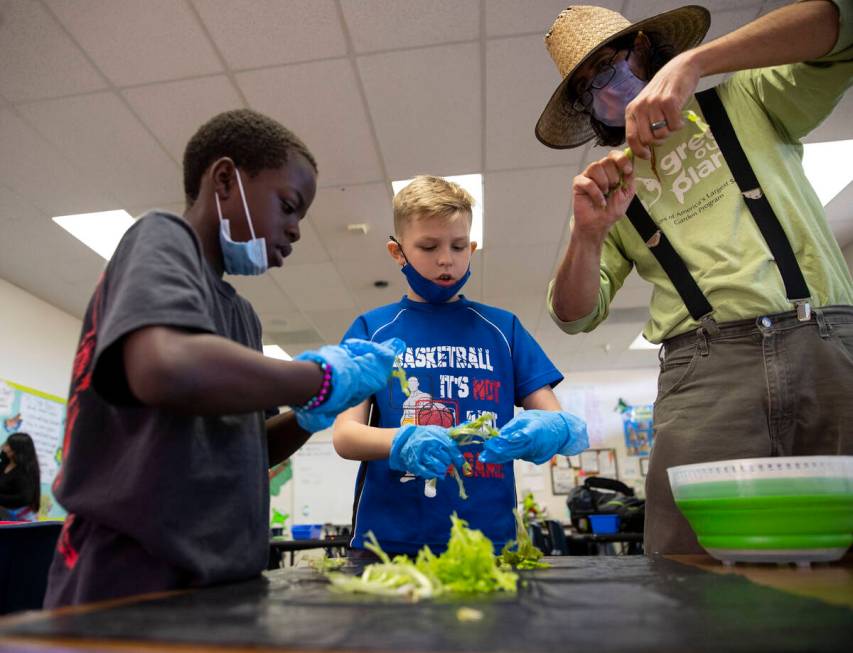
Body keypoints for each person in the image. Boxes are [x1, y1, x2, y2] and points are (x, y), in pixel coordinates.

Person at [43, 109, 403, 608]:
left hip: (222, 577)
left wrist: (310, 415)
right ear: (226, 179)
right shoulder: (161, 238)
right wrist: (315, 378)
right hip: (131, 578)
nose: (296, 230)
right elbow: (162, 367)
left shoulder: (242, 317)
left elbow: (252, 449)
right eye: (289, 205)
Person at [536, 2, 853, 554]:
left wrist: (699, 63)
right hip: (704, 370)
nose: (606, 90)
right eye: (589, 87)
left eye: (611, 64)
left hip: (824, 341)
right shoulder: (607, 185)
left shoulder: (746, 100)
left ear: (646, 50)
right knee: (687, 561)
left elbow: (839, 23)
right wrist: (587, 235)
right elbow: (574, 315)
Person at [332, 175, 588, 558]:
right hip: (388, 541)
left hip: (489, 541)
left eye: (457, 246)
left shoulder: (504, 330)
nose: (446, 259)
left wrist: (554, 429)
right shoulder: (372, 330)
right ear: (397, 252)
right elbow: (344, 435)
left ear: (471, 247)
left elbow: (553, 418)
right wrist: (399, 440)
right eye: (428, 246)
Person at [0, 432, 41, 521]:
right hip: (4, 515)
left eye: (7, 445)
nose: (4, 448)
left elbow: (23, 498)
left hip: (20, 519)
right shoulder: (4, 464)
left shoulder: (25, 472)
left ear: (17, 450)